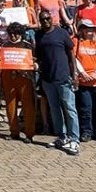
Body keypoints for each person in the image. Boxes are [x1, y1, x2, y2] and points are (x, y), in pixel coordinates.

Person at [35, 10, 80, 154]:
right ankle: (62, 137)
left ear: (52, 18)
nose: (45, 21)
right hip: (48, 79)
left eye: (48, 18)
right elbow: (39, 56)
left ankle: (74, 140)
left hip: (63, 76)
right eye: (43, 19)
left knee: (70, 108)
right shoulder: (38, 35)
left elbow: (71, 54)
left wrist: (75, 74)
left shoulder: (61, 33)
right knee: (55, 109)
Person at [74, 19, 96, 143]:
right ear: (81, 30)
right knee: (86, 108)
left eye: (91, 28)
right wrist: (82, 72)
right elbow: (74, 58)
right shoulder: (77, 41)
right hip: (84, 81)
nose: (89, 31)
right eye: (85, 28)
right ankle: (86, 132)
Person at [0, 21, 37, 144]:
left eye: (16, 33)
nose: (13, 36)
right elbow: (0, 62)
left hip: (25, 79)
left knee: (28, 106)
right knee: (10, 105)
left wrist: (35, 64)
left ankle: (29, 133)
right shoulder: (4, 45)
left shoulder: (28, 46)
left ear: (20, 34)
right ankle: (14, 131)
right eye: (11, 33)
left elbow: (34, 61)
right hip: (9, 78)